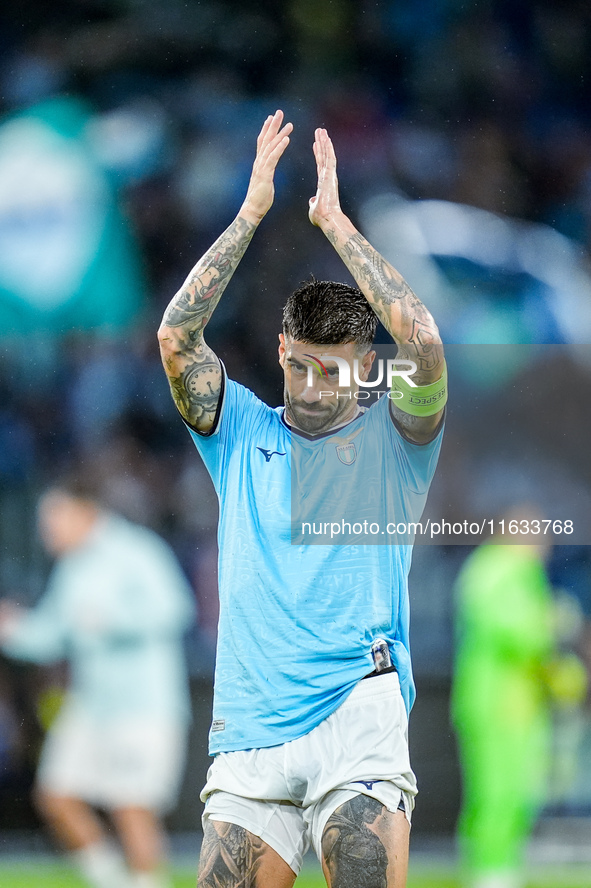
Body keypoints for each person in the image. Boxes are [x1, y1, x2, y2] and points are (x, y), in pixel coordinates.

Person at [157, 110, 447, 888]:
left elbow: (421, 343)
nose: (318, 387)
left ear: (363, 366)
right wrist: (250, 213)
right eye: (303, 366)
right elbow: (176, 340)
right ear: (282, 351)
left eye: (338, 370)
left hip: (357, 715)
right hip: (249, 728)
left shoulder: (396, 442)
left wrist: (335, 224)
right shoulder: (238, 428)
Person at [0, 476, 196, 888]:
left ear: (84, 512)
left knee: (132, 806)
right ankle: (113, 882)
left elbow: (175, 609)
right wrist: (13, 630)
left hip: (144, 706)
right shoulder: (73, 566)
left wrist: (111, 622)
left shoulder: (136, 550)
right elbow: (53, 634)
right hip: (91, 705)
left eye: (53, 519)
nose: (46, 530)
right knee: (56, 795)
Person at [451, 510, 587, 888]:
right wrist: (556, 623)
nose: (544, 544)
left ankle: (500, 868)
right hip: (497, 705)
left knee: (515, 793)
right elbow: (522, 632)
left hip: (517, 706)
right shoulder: (495, 569)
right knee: (496, 793)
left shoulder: (513, 572)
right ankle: (489, 872)